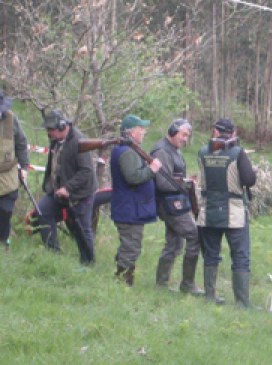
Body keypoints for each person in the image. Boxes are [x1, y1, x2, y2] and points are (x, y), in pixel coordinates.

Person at [196, 118, 256, 307]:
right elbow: (249, 180)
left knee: (211, 254)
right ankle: (242, 302)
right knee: (240, 256)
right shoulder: (238, 153)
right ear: (232, 133)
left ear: (215, 131)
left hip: (208, 211)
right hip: (234, 213)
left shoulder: (202, 152)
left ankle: (209, 296)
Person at [150, 118, 204, 294]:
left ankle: (161, 284)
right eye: (183, 134)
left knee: (174, 242)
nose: (185, 139)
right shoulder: (162, 151)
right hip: (169, 203)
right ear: (173, 131)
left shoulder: (174, 150)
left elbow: (173, 178)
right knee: (194, 236)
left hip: (175, 203)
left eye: (187, 136)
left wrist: (186, 182)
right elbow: (163, 183)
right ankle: (187, 284)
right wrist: (186, 184)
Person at [37, 109, 97, 264]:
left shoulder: (79, 142)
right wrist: (50, 186)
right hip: (57, 191)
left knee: (82, 229)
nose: (49, 133)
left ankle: (88, 263)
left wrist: (68, 188)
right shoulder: (55, 141)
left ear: (63, 126)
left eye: (51, 129)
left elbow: (86, 172)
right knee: (42, 212)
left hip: (80, 194)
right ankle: (53, 254)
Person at [111, 114, 162, 286]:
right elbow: (133, 177)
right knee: (131, 247)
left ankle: (122, 278)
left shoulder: (128, 150)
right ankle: (123, 283)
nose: (144, 131)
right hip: (129, 209)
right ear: (132, 132)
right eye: (141, 128)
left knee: (130, 245)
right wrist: (152, 169)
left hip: (131, 208)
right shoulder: (127, 152)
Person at [0, 90, 29, 252]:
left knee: (5, 210)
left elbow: (21, 144)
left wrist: (24, 167)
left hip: (8, 175)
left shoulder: (11, 119)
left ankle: (4, 242)